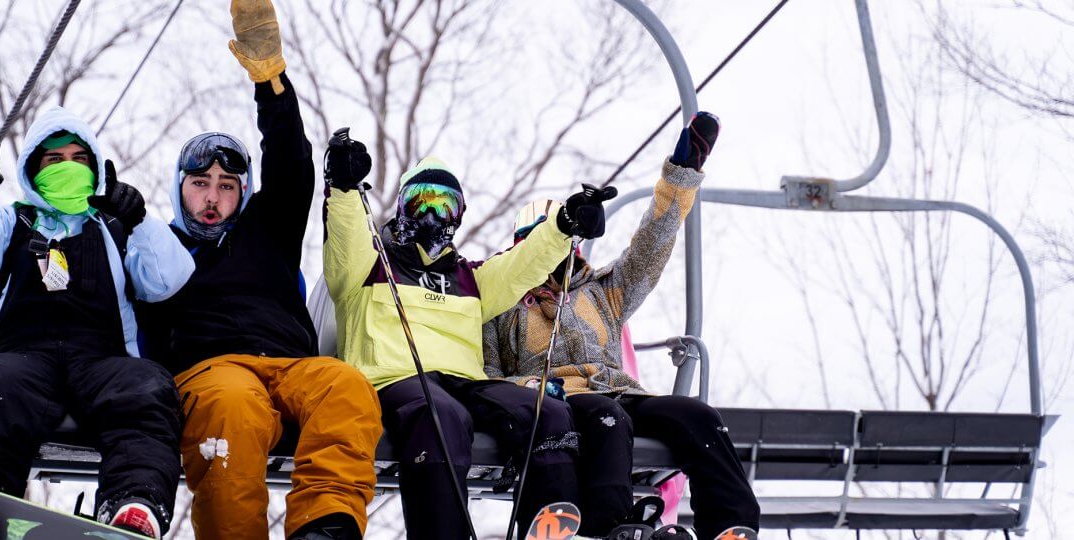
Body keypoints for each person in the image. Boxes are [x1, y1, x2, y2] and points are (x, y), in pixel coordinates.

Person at [135, 2, 382, 539]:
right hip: (211, 369)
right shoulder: (159, 248)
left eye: (227, 186)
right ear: (180, 187)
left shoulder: (266, 231)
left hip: (291, 368)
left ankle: (326, 526)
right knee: (232, 409)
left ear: (242, 194)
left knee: (345, 385)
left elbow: (291, 166)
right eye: (200, 183)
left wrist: (271, 83)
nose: (212, 197)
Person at [321, 130, 619, 538]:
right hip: (393, 378)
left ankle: (548, 518)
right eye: (421, 201)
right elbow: (346, 236)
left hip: (463, 382)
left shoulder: (470, 278)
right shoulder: (369, 266)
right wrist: (343, 188)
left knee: (544, 410)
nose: (432, 215)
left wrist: (563, 224)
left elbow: (522, 265)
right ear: (403, 208)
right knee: (442, 415)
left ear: (459, 215)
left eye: (445, 205)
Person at [483, 112, 761, 540]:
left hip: (618, 391)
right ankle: (610, 526)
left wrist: (682, 175)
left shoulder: (602, 292)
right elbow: (488, 376)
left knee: (697, 416)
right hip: (559, 404)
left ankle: (730, 522)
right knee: (606, 415)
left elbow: (652, 244)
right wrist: (528, 392)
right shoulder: (502, 303)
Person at [0, 106, 194, 538]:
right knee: (0, 388)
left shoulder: (113, 227)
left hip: (102, 359)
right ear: (34, 170)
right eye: (55, 160)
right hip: (23, 355)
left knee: (145, 390)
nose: (68, 168)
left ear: (94, 167)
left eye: (78, 158)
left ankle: (133, 503)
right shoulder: (11, 224)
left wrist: (140, 221)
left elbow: (168, 279)